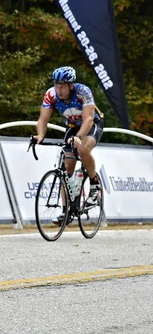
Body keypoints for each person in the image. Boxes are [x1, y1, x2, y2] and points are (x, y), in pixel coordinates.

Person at [35, 66, 104, 223]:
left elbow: (88, 119)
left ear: (71, 85)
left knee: (83, 148)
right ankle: (66, 211)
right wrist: (40, 135)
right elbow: (43, 120)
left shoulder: (83, 92)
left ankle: (94, 184)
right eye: (56, 85)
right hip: (73, 126)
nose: (59, 90)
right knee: (67, 169)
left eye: (62, 86)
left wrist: (79, 137)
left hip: (92, 124)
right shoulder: (51, 95)